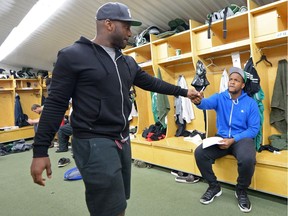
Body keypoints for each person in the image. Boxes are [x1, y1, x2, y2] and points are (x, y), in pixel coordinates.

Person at [30, 2, 200, 216]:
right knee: (109, 208)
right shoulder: (73, 55)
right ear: (108, 24)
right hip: (93, 140)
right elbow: (56, 104)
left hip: (122, 139)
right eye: (127, 27)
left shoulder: (126, 62)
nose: (130, 33)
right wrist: (40, 150)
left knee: (118, 201)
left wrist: (185, 92)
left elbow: (151, 83)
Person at [192, 67, 260, 213]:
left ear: (242, 85)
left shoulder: (250, 103)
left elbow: (254, 129)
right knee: (199, 153)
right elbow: (205, 103)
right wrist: (198, 101)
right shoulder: (220, 97)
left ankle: (241, 190)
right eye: (230, 79)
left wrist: (233, 139)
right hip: (221, 138)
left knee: (248, 158)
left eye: (236, 80)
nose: (232, 82)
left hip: (241, 139)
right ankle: (213, 186)